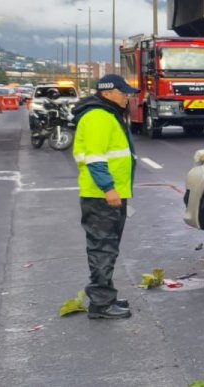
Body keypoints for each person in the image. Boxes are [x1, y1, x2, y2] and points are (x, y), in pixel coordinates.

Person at [72, 74, 140, 321]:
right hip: (101, 196)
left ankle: (105, 296)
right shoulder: (98, 117)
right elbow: (95, 158)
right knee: (102, 248)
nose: (127, 98)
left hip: (109, 194)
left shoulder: (107, 114)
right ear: (108, 93)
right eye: (124, 93)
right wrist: (108, 188)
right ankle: (101, 303)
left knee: (107, 247)